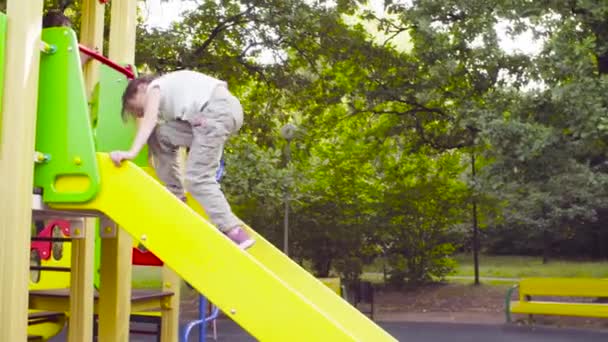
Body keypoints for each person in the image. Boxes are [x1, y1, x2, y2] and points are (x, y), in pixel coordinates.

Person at [109, 70, 255, 250]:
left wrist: (131, 153)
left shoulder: (155, 87)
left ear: (141, 88)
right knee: (160, 135)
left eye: (135, 108)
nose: (138, 115)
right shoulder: (175, 95)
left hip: (216, 111)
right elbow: (162, 133)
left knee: (197, 179)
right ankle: (175, 194)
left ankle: (234, 231)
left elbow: (149, 122)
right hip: (212, 115)